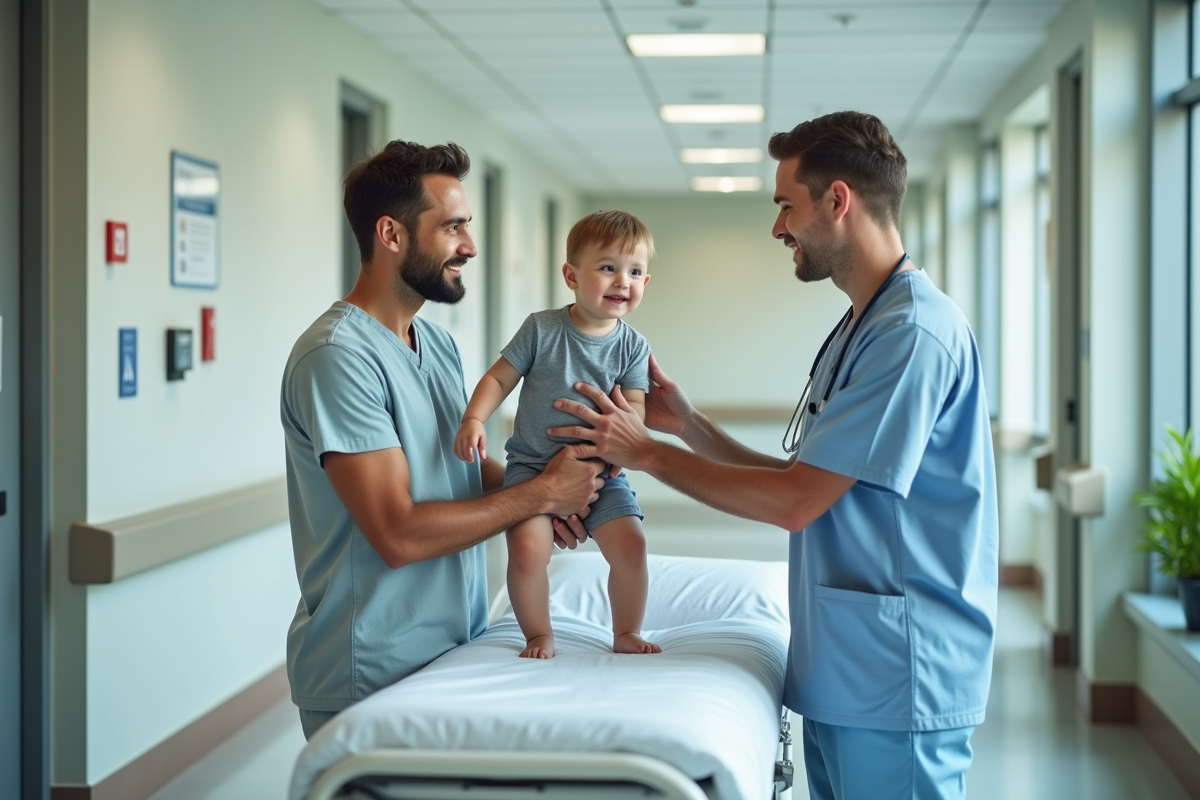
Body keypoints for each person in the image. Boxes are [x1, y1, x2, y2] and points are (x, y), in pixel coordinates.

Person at [550, 112, 998, 800]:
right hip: (847, 665)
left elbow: (794, 505)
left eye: (786, 205)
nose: (778, 227)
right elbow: (800, 478)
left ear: (838, 201)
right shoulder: (866, 321)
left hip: (900, 671)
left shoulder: (911, 334)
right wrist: (687, 426)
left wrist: (646, 455)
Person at [280, 140, 603, 740]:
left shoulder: (438, 346)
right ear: (391, 234)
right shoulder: (338, 357)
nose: (470, 247)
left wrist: (556, 494)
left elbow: (462, 471)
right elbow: (397, 533)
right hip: (370, 672)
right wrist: (537, 499)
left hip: (451, 651)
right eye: (452, 227)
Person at [454, 210, 660, 659]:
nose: (622, 281)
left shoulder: (633, 347)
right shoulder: (542, 329)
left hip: (603, 474)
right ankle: (538, 633)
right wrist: (474, 419)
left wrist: (623, 446)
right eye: (608, 268)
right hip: (530, 470)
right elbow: (499, 379)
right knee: (528, 552)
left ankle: (626, 630)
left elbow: (637, 409)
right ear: (571, 275)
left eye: (635, 272)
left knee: (632, 546)